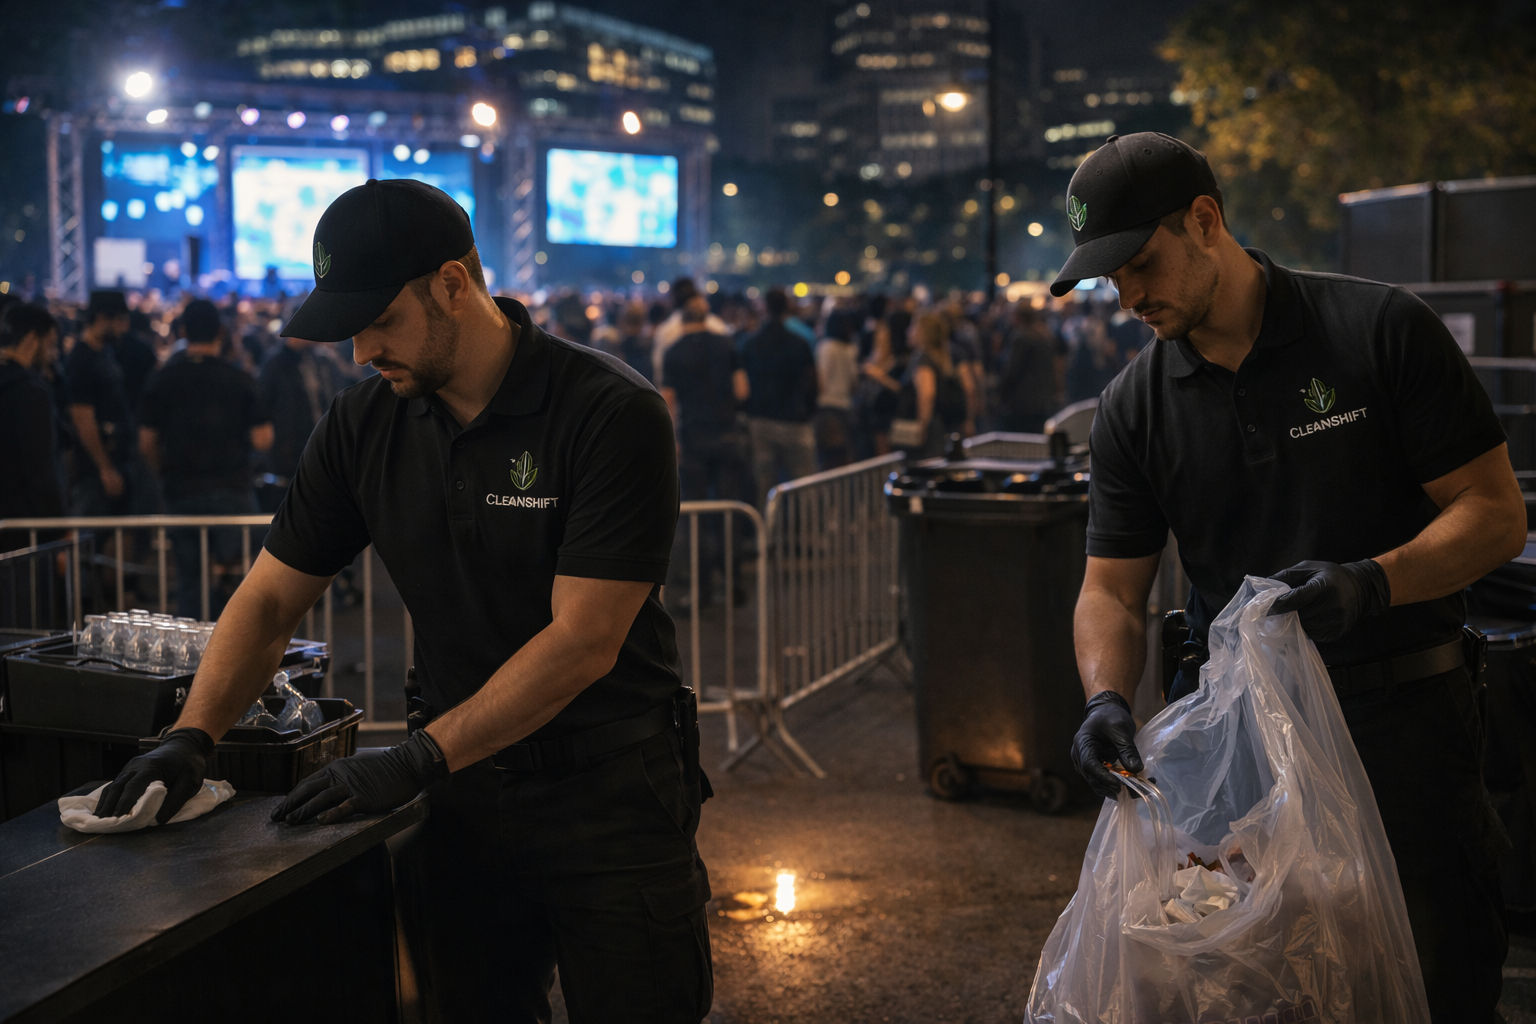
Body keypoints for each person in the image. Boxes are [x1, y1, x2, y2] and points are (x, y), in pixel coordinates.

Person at [92, 179, 711, 1022]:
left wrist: (414, 759)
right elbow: (271, 598)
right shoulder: (364, 422)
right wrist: (192, 736)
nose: (361, 352)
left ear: (454, 283)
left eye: (381, 321)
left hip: (611, 793)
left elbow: (584, 640)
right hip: (463, 803)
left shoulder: (609, 412)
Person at [1062, 132, 1517, 1023]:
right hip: (1245, 759)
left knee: (1438, 984)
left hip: (1406, 736)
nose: (1130, 298)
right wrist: (1104, 699)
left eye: (1141, 265)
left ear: (1206, 221)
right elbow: (1111, 589)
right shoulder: (1132, 407)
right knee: (1257, 991)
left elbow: (1494, 514)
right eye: (1110, 281)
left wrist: (1372, 583)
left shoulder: (1377, 330)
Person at [138, 300, 274, 619]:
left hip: (180, 490)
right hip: (232, 490)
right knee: (246, 579)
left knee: (190, 582)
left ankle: (196, 661)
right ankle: (242, 649)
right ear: (221, 332)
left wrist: (164, 470)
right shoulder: (239, 378)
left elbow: (146, 443)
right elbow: (263, 437)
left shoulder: (162, 379)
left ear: (182, 331)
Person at [661, 298, 752, 606]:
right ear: (706, 317)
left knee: (696, 517)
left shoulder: (672, 352)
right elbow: (742, 390)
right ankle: (735, 584)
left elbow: (669, 400)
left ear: (682, 321)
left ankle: (701, 592)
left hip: (694, 439)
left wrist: (673, 441)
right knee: (730, 511)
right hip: (727, 435)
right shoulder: (726, 345)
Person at [65, 290, 155, 516]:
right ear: (103, 319)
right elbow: (82, 417)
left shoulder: (103, 353)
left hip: (115, 458)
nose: (124, 328)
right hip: (96, 467)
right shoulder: (82, 360)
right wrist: (105, 467)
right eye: (121, 321)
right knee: (92, 532)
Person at [741, 288, 818, 504]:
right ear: (787, 307)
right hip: (795, 418)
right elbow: (812, 382)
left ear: (764, 308)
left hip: (761, 420)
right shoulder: (800, 342)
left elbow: (743, 385)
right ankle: (804, 533)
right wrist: (809, 410)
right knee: (803, 485)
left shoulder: (751, 344)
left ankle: (767, 534)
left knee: (765, 486)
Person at [0, 303, 65, 547]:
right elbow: (41, 468)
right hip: (24, 529)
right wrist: (59, 527)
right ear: (31, 340)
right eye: (49, 345)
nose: (53, 355)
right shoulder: (30, 393)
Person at [258, 333, 342, 513]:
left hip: (325, 450)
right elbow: (265, 408)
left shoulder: (323, 361)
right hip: (290, 458)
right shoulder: (275, 363)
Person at [898, 313, 968, 459]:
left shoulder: (923, 357)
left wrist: (922, 427)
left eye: (913, 327)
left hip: (931, 428)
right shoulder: (942, 356)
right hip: (944, 424)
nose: (908, 331)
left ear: (922, 332)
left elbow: (927, 393)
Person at [998, 304, 1065, 433]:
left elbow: (1012, 371)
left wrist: (1001, 396)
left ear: (1019, 317)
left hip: (1023, 402)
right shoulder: (1046, 334)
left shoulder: (1021, 337)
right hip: (1043, 399)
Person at [652, 278, 730, 386]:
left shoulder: (665, 330)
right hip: (719, 397)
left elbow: (660, 373)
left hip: (679, 400)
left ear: (673, 298)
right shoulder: (719, 326)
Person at [813, 311, 859, 469]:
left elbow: (821, 381)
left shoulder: (826, 348)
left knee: (828, 457)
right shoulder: (850, 349)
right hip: (846, 406)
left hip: (828, 408)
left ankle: (828, 493)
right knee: (844, 456)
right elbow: (855, 383)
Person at [1064, 315, 1123, 404]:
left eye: (1102, 334)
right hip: (1087, 404)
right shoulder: (1081, 357)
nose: (1100, 338)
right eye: (1094, 334)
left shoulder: (1106, 355)